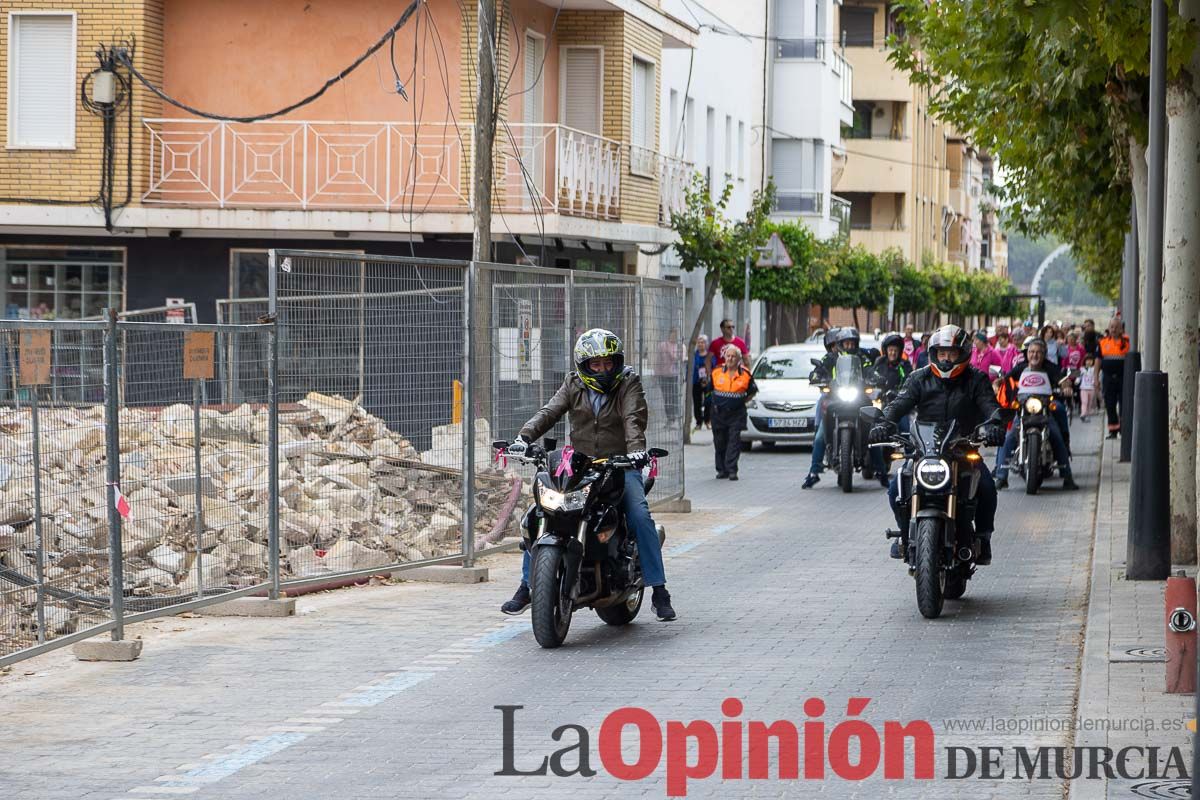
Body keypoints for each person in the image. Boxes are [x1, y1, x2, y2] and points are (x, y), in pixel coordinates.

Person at [499, 328, 676, 621]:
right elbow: (549, 411)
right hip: (580, 465)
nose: (603, 369)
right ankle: (528, 587)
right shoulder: (573, 383)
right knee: (540, 512)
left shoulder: (628, 383)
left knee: (640, 515)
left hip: (619, 463)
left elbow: (634, 418)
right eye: (596, 364)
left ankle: (659, 590)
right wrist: (523, 438)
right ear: (584, 365)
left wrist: (635, 451)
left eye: (608, 363)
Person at [868, 325, 1007, 564]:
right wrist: (883, 422)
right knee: (896, 489)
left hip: (963, 449)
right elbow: (899, 404)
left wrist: (994, 425)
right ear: (934, 353)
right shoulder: (919, 378)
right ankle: (904, 535)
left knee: (986, 486)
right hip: (924, 450)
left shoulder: (976, 379)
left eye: (951, 353)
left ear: (963, 353)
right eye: (941, 353)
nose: (945, 359)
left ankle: (983, 538)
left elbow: (990, 406)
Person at [993, 338, 1078, 491]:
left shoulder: (1050, 368)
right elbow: (1006, 378)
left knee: (1057, 436)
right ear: (1027, 354)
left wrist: (1065, 386)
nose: (1034, 355)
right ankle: (1001, 476)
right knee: (1009, 437)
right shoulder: (1021, 367)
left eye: (1038, 352)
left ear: (1044, 354)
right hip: (1024, 409)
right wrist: (997, 383)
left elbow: (1062, 379)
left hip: (1044, 408)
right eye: (1032, 352)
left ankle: (1067, 476)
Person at [802, 327, 876, 489]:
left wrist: (875, 377)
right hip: (835, 398)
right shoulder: (831, 357)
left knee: (873, 430)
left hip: (857, 397)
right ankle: (814, 472)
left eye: (852, 343)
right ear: (841, 344)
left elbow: (871, 370)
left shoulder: (862, 357)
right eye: (846, 343)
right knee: (820, 435)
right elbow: (818, 370)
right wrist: (817, 376)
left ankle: (882, 472)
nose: (849, 346)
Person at [869, 333, 912, 486]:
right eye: (890, 349)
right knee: (871, 430)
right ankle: (878, 469)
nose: (892, 353)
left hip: (899, 406)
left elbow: (909, 381)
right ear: (885, 350)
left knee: (907, 431)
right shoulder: (879, 363)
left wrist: (898, 392)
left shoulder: (904, 366)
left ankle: (910, 466)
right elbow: (871, 378)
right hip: (881, 403)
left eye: (895, 350)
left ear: (899, 351)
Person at [710, 344, 757, 481]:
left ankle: (732, 470)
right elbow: (709, 390)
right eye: (728, 356)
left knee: (734, 441)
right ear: (724, 357)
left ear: (738, 359)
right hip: (718, 414)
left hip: (736, 414)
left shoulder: (746, 374)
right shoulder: (716, 372)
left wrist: (740, 400)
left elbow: (752, 391)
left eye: (733, 356)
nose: (730, 359)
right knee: (719, 442)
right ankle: (721, 470)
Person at [691, 334, 711, 431]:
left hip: (707, 382)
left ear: (706, 344)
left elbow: (713, 367)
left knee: (708, 402)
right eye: (699, 342)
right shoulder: (694, 355)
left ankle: (707, 421)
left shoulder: (710, 355)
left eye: (702, 342)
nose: (700, 344)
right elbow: (690, 367)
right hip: (696, 381)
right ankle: (698, 422)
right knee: (697, 402)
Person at [1079, 354, 1098, 422]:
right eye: (1087, 360)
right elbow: (1079, 377)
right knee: (1084, 402)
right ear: (1085, 361)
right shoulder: (1081, 369)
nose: (1089, 362)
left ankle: (1087, 415)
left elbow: (1095, 377)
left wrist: (1095, 383)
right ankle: (1083, 414)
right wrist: (1077, 380)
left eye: (1091, 360)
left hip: (1091, 388)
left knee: (1089, 403)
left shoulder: (1094, 369)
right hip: (1083, 388)